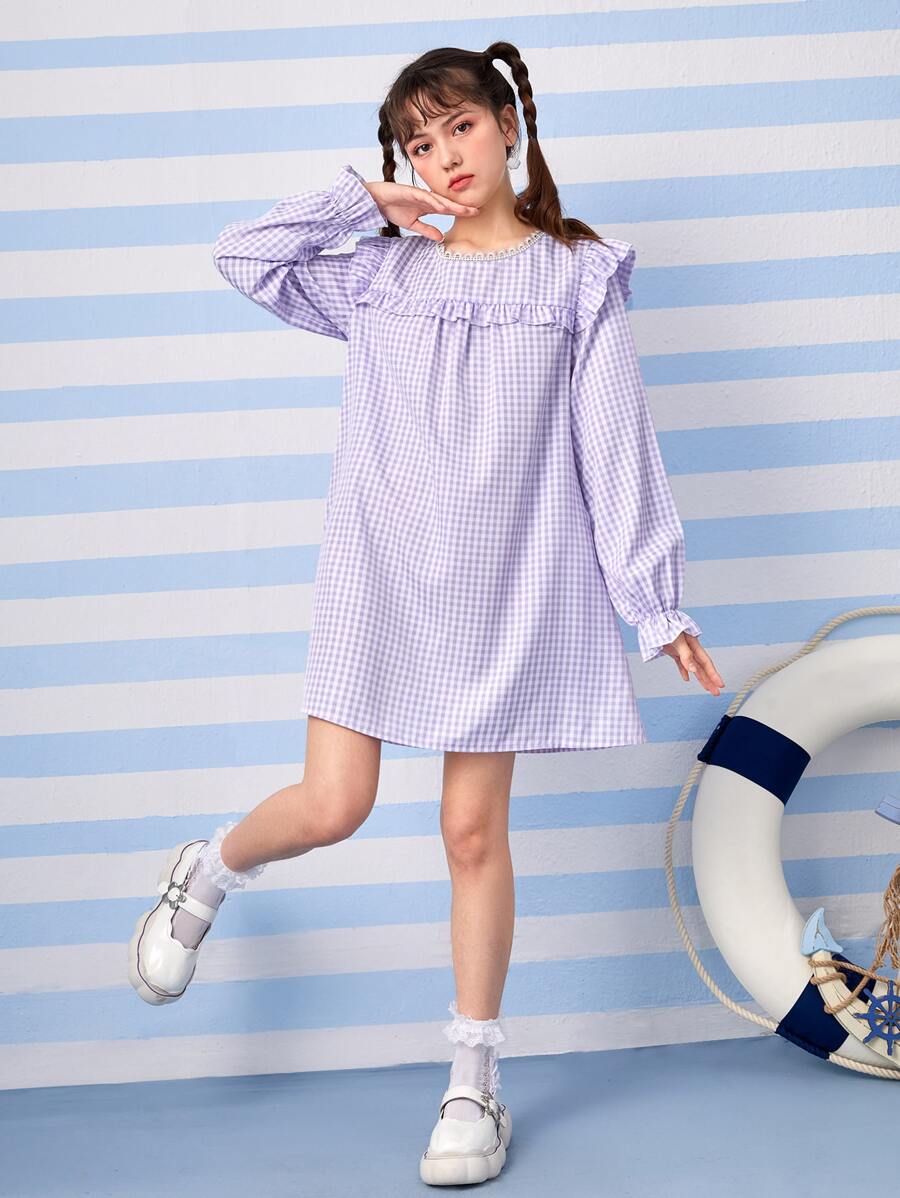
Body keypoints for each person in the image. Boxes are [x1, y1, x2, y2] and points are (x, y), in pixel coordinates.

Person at [128, 39, 725, 1186]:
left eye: (459, 126)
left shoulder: (576, 279)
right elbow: (241, 254)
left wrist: (655, 603)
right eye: (417, 141)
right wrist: (364, 200)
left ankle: (472, 1081)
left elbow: (616, 447)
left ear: (508, 124)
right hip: (381, 572)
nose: (443, 155)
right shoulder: (378, 275)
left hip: (506, 590)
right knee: (333, 805)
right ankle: (207, 870)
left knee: (471, 833)